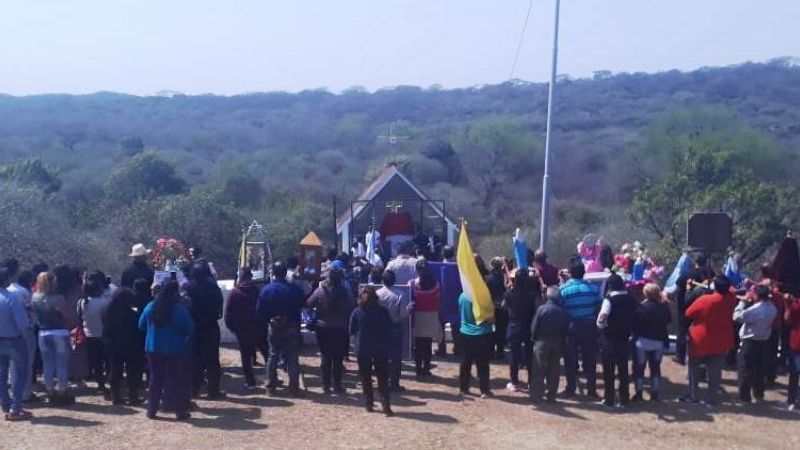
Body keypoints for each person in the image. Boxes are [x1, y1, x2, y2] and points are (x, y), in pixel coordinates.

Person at [139, 280, 195, 420]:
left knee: (155, 379)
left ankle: (151, 410)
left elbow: (141, 325)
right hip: (176, 349)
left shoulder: (150, 306)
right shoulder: (179, 309)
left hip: (153, 348)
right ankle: (180, 411)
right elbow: (190, 328)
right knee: (177, 380)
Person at [682, 276, 736, 406]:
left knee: (694, 368)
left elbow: (688, 313)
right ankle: (711, 399)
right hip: (721, 340)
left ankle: (693, 396)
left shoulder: (705, 299)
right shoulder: (731, 299)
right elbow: (733, 290)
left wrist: (690, 289)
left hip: (701, 339)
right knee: (715, 372)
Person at [257, 261, 306, 397]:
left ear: (273, 273)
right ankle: (294, 388)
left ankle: (270, 387)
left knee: (273, 356)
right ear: (285, 273)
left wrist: (271, 319)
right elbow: (303, 303)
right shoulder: (295, 289)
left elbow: (260, 312)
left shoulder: (266, 290)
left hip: (274, 326)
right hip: (291, 326)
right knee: (292, 357)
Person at [31, 271, 78, 405]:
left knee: (48, 365)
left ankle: (50, 390)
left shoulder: (35, 298)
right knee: (61, 364)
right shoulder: (58, 298)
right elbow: (70, 317)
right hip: (60, 332)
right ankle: (62, 391)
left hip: (43, 332)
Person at [306, 267, 355, 394]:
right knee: (338, 358)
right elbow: (352, 307)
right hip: (341, 328)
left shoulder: (320, 290)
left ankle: (325, 385)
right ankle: (337, 385)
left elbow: (309, 303)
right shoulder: (346, 293)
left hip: (323, 328)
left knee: (325, 356)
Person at [559, 258, 602, 398]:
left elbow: (560, 308)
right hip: (589, 327)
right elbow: (599, 307)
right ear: (584, 272)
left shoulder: (563, 289)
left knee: (570, 359)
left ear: (570, 272)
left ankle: (571, 389)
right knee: (590, 359)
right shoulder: (594, 289)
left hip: (571, 327)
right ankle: (591, 389)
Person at [349, 286, 393, 416]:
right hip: (381, 348)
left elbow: (351, 330)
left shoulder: (357, 311)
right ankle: (386, 405)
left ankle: (368, 403)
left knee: (365, 377)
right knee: (383, 378)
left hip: (363, 348)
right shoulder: (383, 312)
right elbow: (389, 328)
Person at [184, 261, 225, 399]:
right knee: (212, 361)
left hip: (193, 328)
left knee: (194, 360)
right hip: (210, 327)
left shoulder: (187, 288)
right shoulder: (214, 288)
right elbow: (219, 312)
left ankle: (193, 389)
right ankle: (213, 391)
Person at [596, 273, 636, 407]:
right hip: (625, 338)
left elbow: (602, 317)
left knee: (609, 370)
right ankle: (624, 399)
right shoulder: (631, 299)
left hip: (610, 338)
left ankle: (609, 398)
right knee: (623, 370)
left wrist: (601, 326)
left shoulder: (609, 299)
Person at [225, 268, 269, 388]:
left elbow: (228, 313)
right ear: (250, 278)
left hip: (242, 330)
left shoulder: (234, 293)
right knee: (266, 353)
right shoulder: (257, 291)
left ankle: (250, 381)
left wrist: (233, 328)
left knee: (246, 357)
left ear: (240, 277)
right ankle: (272, 377)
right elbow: (263, 309)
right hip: (258, 328)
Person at [733, 285, 777, 404]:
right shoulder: (772, 308)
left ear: (757, 295)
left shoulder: (754, 310)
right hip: (764, 341)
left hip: (750, 341)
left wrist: (742, 303)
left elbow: (736, 317)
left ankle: (744, 396)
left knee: (745, 369)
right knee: (760, 370)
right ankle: (758, 393)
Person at [0, 267, 33, 420]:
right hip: (14, 339)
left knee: (2, 373)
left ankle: (6, 404)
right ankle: (16, 407)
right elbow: (21, 322)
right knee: (21, 373)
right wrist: (29, 327)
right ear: (6, 279)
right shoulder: (13, 297)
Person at [3, 259, 38, 404]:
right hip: (19, 334)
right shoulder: (20, 292)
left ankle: (7, 396)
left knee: (5, 368)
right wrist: (29, 326)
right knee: (24, 364)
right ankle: (24, 394)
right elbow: (26, 317)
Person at [102, 288, 144, 405]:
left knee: (115, 370)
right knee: (132, 372)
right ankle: (133, 396)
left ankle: (116, 396)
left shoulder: (108, 312)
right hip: (130, 345)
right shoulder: (132, 314)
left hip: (113, 345)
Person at [530, 286, 570, 403]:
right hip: (557, 342)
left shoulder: (541, 309)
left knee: (538, 368)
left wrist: (534, 338)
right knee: (554, 369)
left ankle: (537, 396)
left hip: (542, 342)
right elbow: (566, 328)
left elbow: (534, 326)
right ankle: (551, 396)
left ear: (547, 296)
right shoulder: (563, 311)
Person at [632, 283, 671, 402]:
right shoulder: (664, 308)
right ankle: (655, 393)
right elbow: (668, 321)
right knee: (655, 368)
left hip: (642, 342)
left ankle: (639, 393)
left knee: (639, 368)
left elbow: (635, 325)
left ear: (645, 293)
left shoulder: (640, 308)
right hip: (658, 342)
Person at [502, 268, 539, 392]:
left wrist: (508, 289)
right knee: (530, 355)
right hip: (528, 326)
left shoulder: (510, 293)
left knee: (514, 355)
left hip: (514, 326)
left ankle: (514, 382)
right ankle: (531, 382)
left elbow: (503, 306)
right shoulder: (532, 293)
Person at [673, 254, 714, 364]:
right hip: (704, 308)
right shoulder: (710, 274)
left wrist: (679, 305)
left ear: (695, 262)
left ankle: (680, 356)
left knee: (682, 332)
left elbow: (679, 288)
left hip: (686, 306)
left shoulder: (688, 273)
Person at [374, 270, 409, 388]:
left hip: (379, 328)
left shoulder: (377, 294)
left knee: (380, 356)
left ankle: (381, 381)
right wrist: (408, 310)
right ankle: (394, 383)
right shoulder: (400, 295)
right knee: (395, 357)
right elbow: (403, 314)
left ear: (382, 280)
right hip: (394, 327)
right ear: (394, 280)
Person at [79, 271, 111, 394]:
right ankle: (108, 380)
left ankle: (100, 383)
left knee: (96, 362)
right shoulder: (104, 303)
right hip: (103, 335)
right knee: (106, 360)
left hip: (89, 336)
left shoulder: (82, 303)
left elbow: (80, 318)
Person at [409, 260, 443, 377]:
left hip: (418, 317)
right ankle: (426, 368)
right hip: (432, 317)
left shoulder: (411, 284)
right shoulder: (436, 285)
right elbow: (439, 300)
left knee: (418, 345)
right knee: (428, 344)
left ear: (417, 270)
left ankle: (418, 368)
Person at [458, 289, 494, 398]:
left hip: (465, 332)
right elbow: (491, 319)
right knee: (483, 363)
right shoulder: (483, 297)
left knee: (465, 362)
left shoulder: (462, 296)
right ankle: (484, 390)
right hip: (482, 333)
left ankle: (463, 389)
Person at [486, 257, 508, 359]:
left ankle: (490, 350)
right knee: (501, 330)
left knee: (490, 329)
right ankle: (500, 352)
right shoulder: (505, 278)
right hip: (503, 308)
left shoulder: (487, 278)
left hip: (491, 307)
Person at [785, 292, 800, 410]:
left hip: (797, 344)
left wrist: (787, 304)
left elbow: (788, 319)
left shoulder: (797, 304)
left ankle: (792, 401)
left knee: (794, 374)